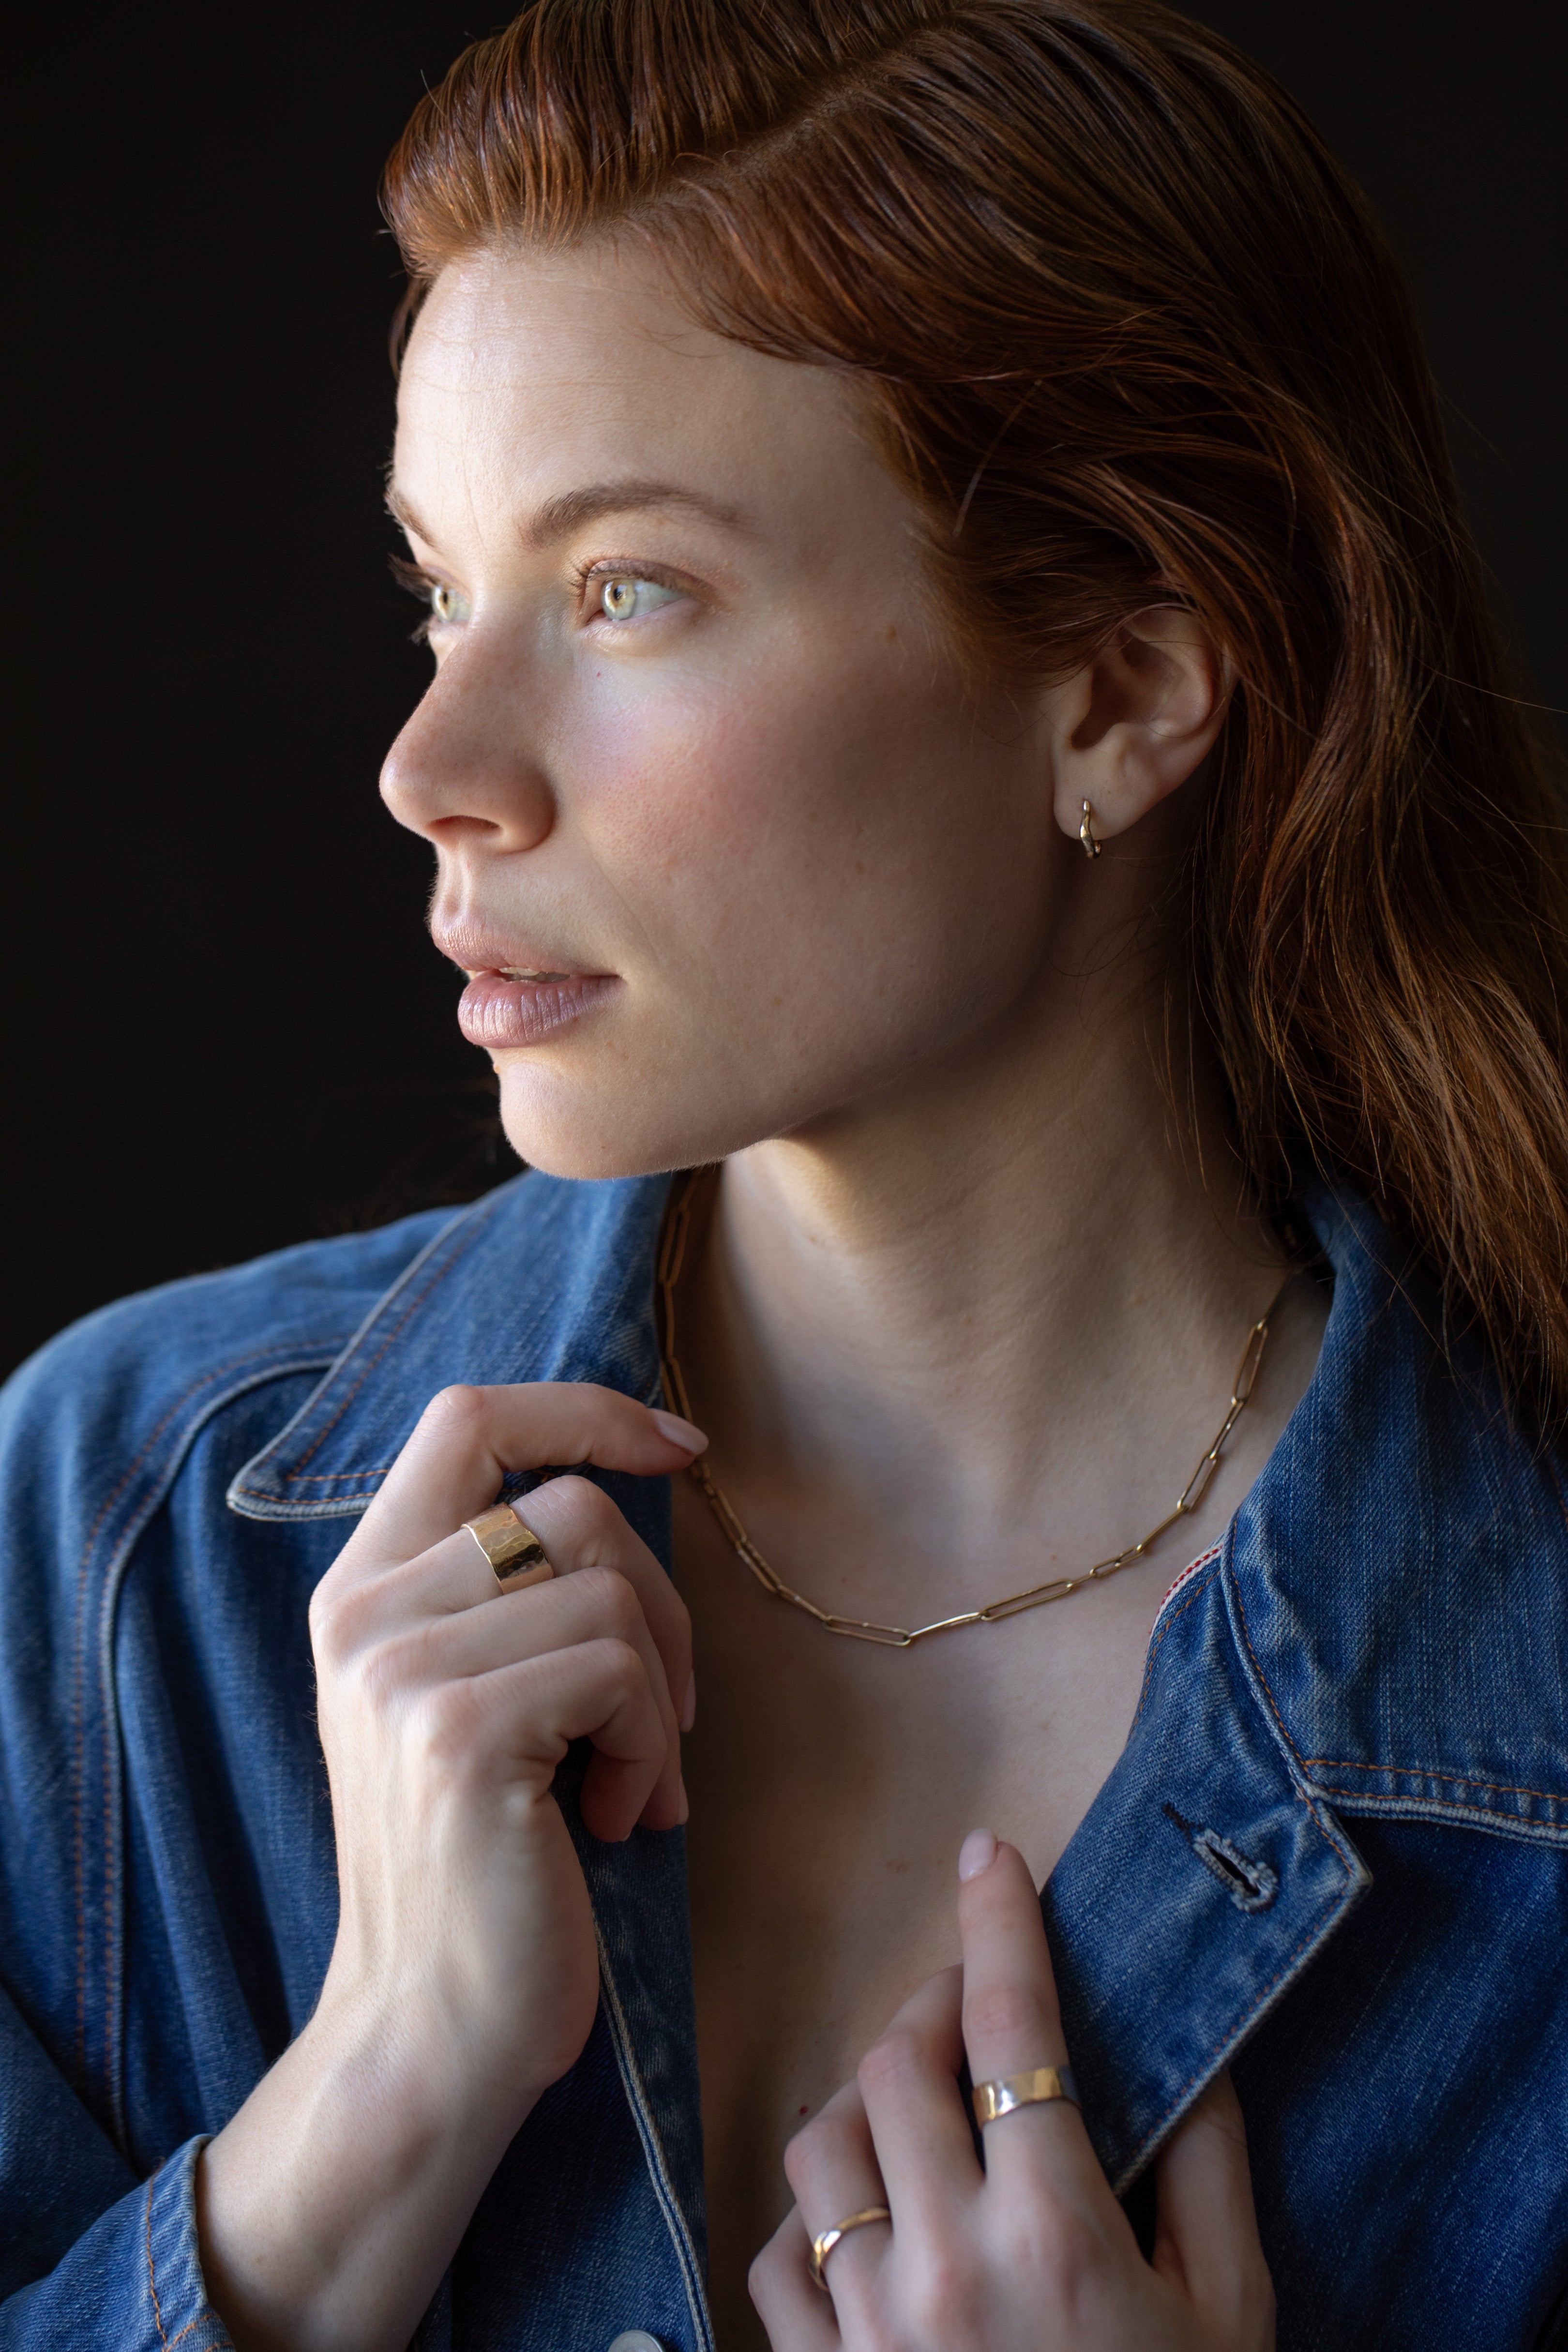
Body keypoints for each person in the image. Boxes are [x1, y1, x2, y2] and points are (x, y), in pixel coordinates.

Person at [1, 1, 1565, 2347]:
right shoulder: (121, 1551)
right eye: (441, 590)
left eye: (624, 591)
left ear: (1125, 689)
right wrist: (364, 2116)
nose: (433, 763)